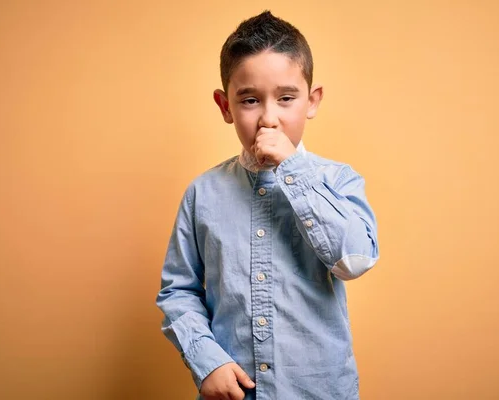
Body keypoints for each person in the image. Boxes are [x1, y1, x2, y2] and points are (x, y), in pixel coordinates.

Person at [156, 10, 379, 400]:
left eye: (287, 98)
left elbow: (354, 260)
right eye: (250, 100)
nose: (268, 119)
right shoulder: (202, 193)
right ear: (225, 107)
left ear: (312, 101)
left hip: (319, 390)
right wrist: (207, 360)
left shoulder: (338, 180)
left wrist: (293, 168)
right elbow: (179, 290)